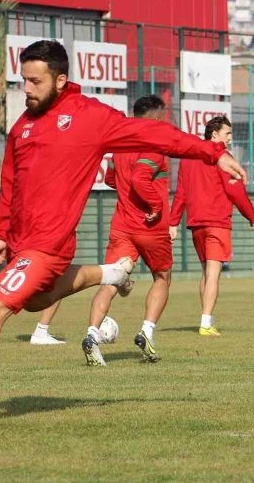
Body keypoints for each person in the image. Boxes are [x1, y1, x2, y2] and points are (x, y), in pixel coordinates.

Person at [0, 40, 246, 424]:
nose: (28, 90)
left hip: (50, 245)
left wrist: (213, 153)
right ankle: (111, 273)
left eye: (36, 81)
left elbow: (156, 136)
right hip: (22, 244)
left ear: (60, 79)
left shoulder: (89, 117)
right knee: (35, 304)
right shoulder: (22, 127)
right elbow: (12, 184)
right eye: (24, 81)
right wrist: (3, 233)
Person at [82, 95, 173, 366]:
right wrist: (154, 204)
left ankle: (91, 336)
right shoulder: (154, 143)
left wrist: (126, 190)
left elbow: (112, 178)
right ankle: (146, 332)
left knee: (110, 281)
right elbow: (139, 178)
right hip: (149, 225)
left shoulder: (120, 145)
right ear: (156, 117)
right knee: (162, 277)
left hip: (121, 224)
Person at [169, 116, 254, 336]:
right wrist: (251, 215)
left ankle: (206, 317)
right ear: (214, 135)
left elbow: (181, 192)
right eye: (227, 134)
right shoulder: (223, 158)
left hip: (196, 223)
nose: (229, 138)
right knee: (214, 274)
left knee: (207, 273)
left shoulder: (188, 159)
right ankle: (206, 323)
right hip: (217, 222)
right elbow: (234, 190)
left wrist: (173, 222)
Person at [0, 226, 66, 345]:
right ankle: (41, 333)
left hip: (4, 244)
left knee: (18, 289)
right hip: (27, 246)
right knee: (57, 284)